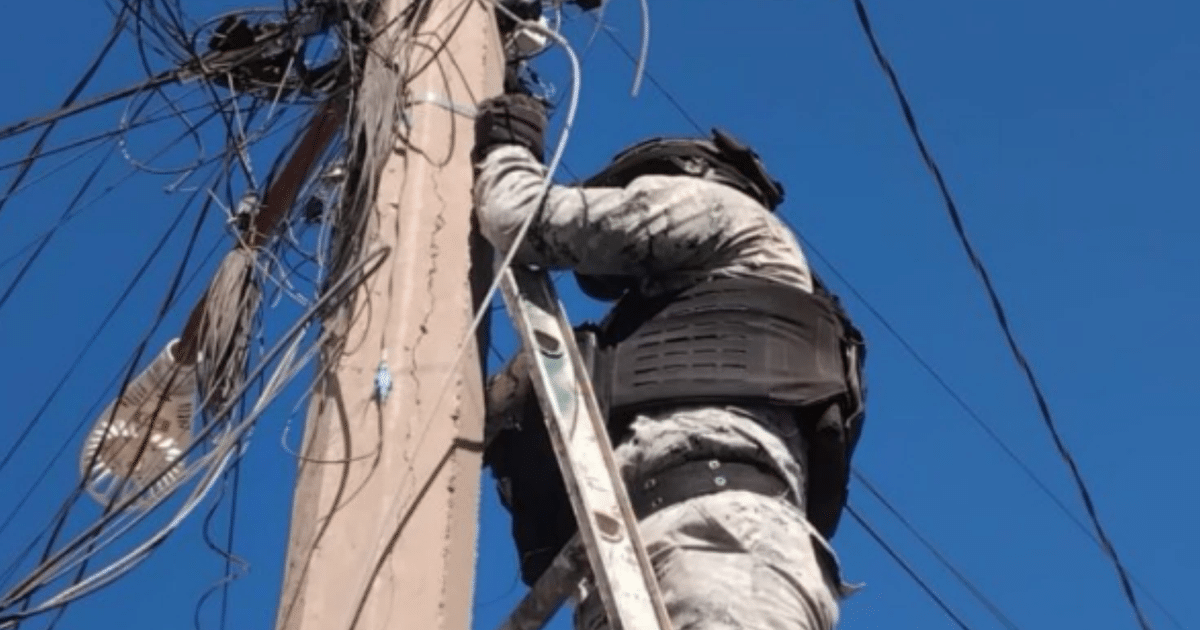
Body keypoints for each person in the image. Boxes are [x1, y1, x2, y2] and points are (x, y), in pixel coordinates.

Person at [472, 87, 868, 630]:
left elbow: (519, 219)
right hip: (636, 557)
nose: (639, 199)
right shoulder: (642, 336)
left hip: (719, 542)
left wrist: (507, 152)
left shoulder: (724, 212)